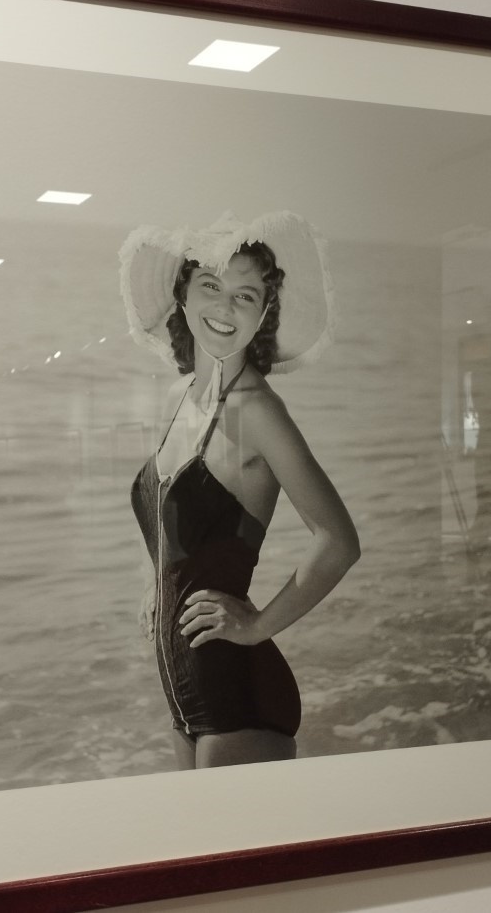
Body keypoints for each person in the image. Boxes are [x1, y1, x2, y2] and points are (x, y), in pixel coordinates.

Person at [119, 211, 361, 769]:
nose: (225, 308)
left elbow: (338, 541)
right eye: (211, 286)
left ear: (263, 313)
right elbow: (179, 526)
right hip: (185, 684)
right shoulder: (183, 398)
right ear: (183, 297)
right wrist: (157, 584)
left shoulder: (257, 412)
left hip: (238, 693)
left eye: (245, 295)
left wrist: (256, 626)